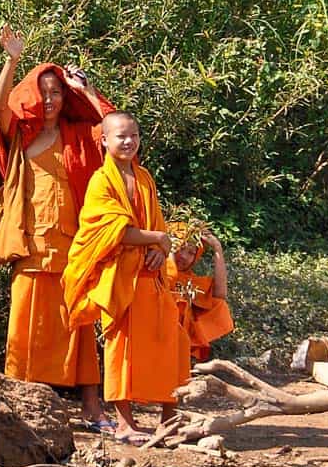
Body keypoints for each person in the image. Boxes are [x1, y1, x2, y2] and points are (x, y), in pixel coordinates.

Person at [0, 24, 115, 432]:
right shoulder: (21, 135)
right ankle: (20, 408)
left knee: (79, 322)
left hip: (72, 244)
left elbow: (115, 132)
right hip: (30, 244)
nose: (48, 99)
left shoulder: (77, 134)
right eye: (42, 91)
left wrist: (89, 90)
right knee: (24, 324)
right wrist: (12, 61)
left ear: (65, 97)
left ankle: (92, 411)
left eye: (56, 92)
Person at [62, 112, 190, 445]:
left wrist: (161, 250)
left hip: (151, 275)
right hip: (120, 278)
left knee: (170, 342)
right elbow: (113, 231)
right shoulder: (100, 181)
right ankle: (124, 422)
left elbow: (159, 228)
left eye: (133, 135)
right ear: (104, 140)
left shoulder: (144, 177)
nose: (128, 141)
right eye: (120, 136)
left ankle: (168, 417)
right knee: (122, 349)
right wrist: (156, 240)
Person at [166, 225, 233, 361]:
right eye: (181, 247)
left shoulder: (190, 280)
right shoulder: (152, 269)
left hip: (179, 343)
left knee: (220, 306)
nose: (184, 256)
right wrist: (168, 250)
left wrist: (217, 249)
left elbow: (220, 295)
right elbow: (169, 281)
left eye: (191, 253)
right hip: (155, 335)